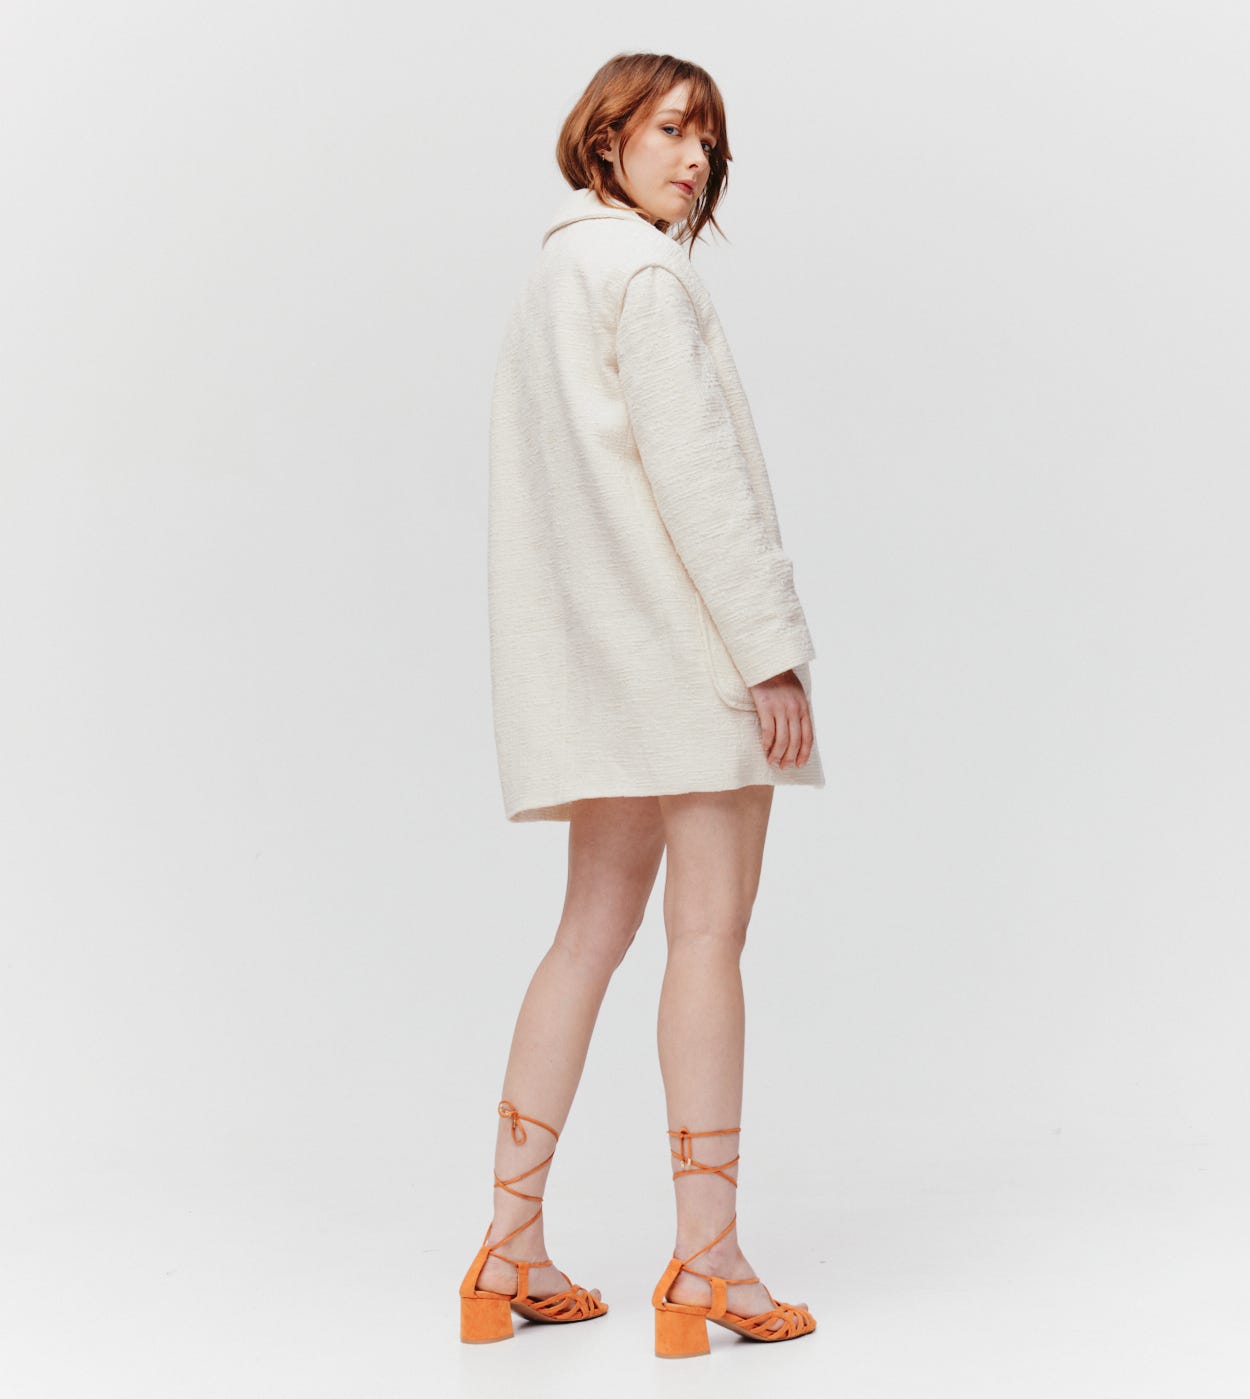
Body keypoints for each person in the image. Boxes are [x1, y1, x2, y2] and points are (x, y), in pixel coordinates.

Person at [459, 52, 823, 1357]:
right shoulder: (650, 280)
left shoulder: (552, 279)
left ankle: (506, 1248)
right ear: (604, 138)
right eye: (671, 129)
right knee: (707, 939)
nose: (695, 157)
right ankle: (708, 1261)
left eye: (708, 139)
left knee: (585, 938)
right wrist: (771, 655)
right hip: (691, 664)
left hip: (601, 672)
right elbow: (702, 483)